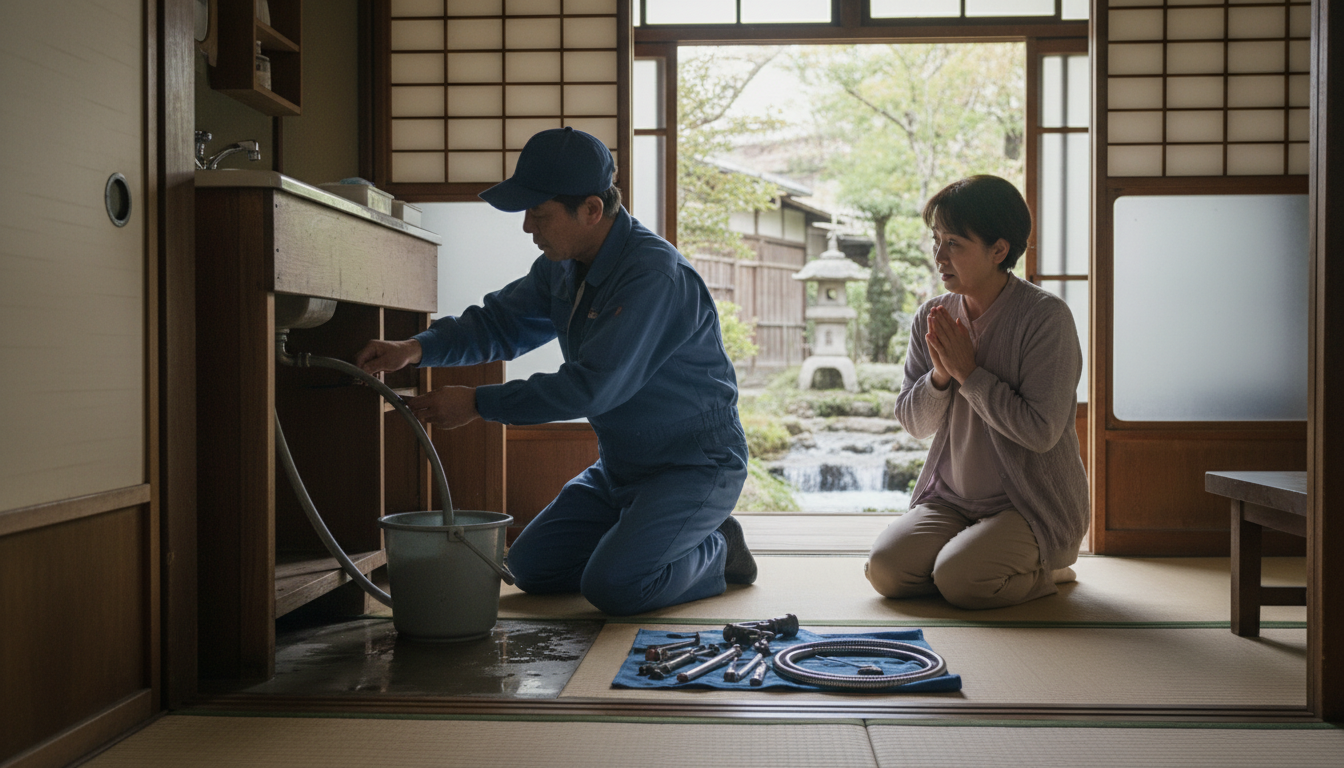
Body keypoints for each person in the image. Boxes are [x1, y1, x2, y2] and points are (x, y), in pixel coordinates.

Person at [355, 127, 755, 617]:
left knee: (615, 587)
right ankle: (649, 536)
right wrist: (414, 349)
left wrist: (478, 403)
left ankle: (718, 548)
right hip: (621, 468)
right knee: (528, 570)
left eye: (539, 214)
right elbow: (499, 323)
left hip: (694, 465)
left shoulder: (653, 276)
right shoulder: (562, 265)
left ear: (591, 210)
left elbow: (591, 388)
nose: (528, 227)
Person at [865, 175, 1089, 610]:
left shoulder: (1046, 319)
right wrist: (941, 376)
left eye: (954, 243)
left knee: (961, 580)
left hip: (1028, 505)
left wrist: (968, 374)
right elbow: (914, 424)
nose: (939, 256)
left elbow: (1041, 432)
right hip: (951, 500)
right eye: (937, 240)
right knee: (886, 570)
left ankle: (1046, 567)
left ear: (999, 250)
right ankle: (968, 560)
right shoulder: (932, 315)